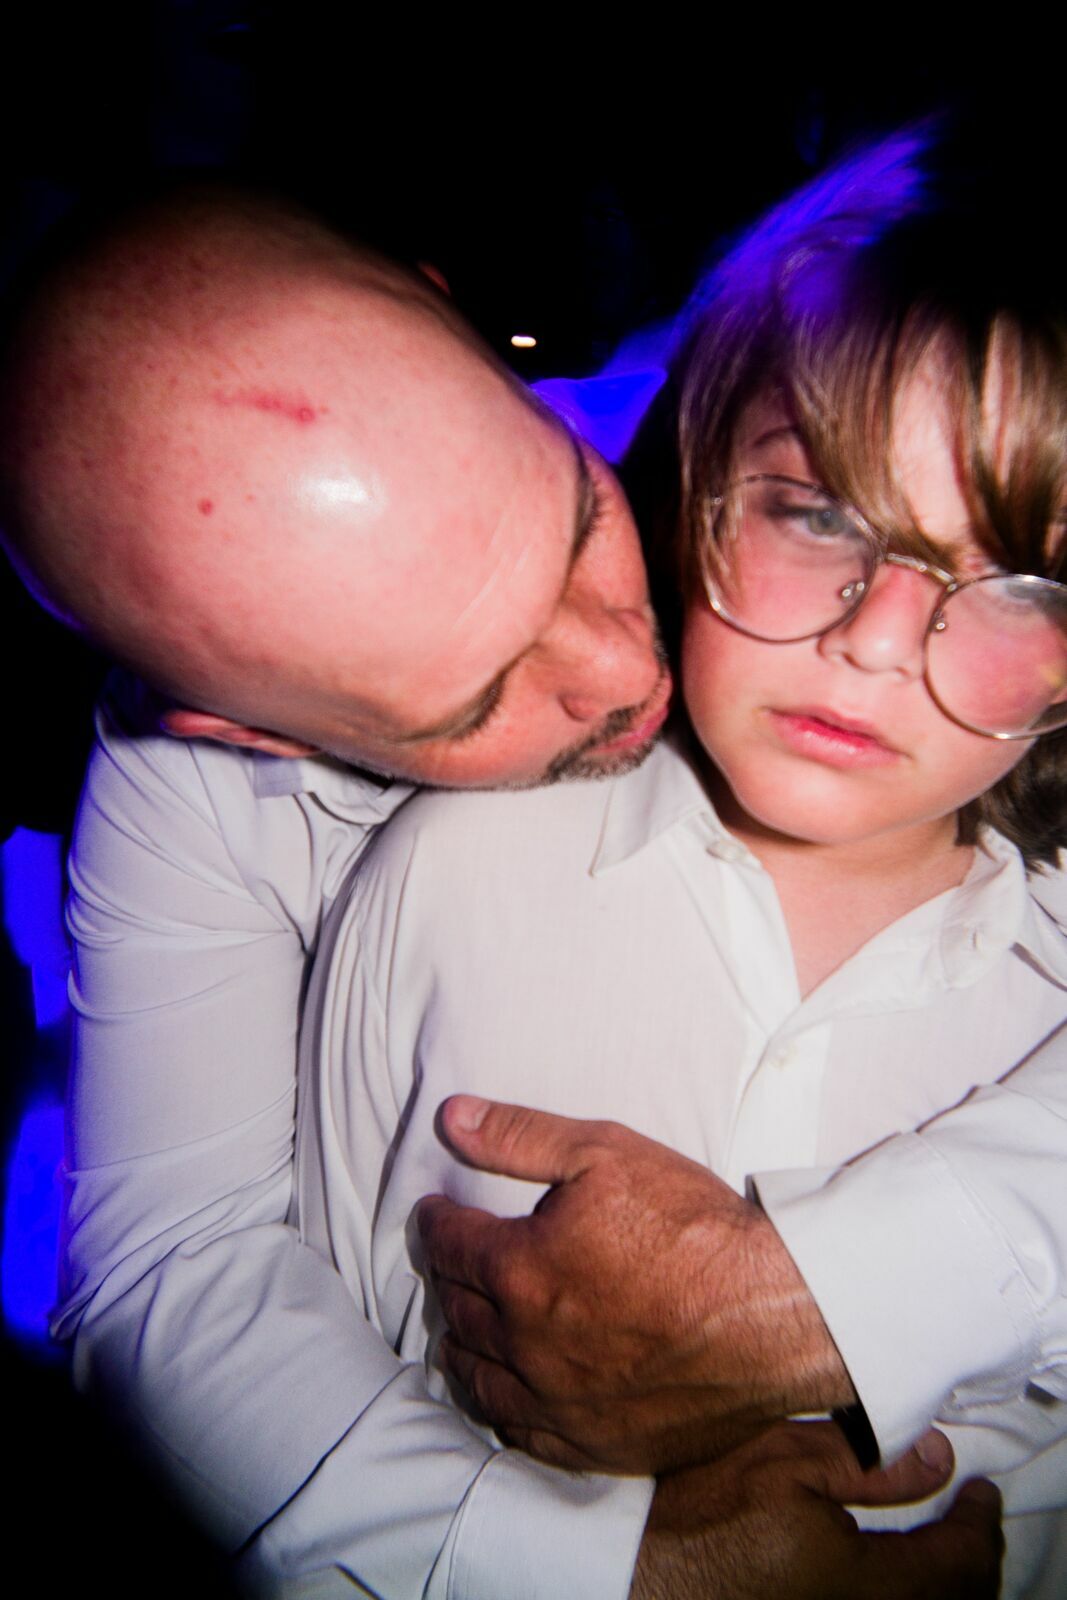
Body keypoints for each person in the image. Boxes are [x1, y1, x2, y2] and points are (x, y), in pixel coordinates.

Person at [0, 177, 1002, 1596]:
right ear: (251, 733)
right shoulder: (189, 779)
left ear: (452, 317)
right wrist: (618, 1574)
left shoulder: (795, 437)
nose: (626, 674)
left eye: (579, 528)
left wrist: (823, 1300)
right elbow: (168, 1274)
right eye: (473, 704)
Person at [294, 125, 1067, 1597]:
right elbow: (318, 1350)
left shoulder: (1049, 1004)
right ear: (706, 469)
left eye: (1019, 580)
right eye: (821, 512)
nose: (877, 638)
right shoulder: (453, 872)